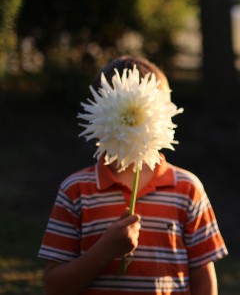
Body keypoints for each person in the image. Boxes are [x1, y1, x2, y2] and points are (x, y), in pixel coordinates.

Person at [38, 55, 228, 295]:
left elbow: (204, 279)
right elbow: (54, 287)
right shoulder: (76, 190)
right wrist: (105, 250)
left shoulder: (187, 189)